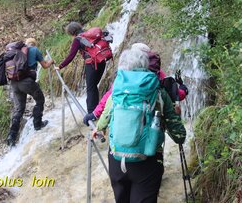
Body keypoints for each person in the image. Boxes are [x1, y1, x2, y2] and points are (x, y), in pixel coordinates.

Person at [93, 48, 186, 203]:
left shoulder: (117, 91)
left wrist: (98, 129)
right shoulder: (158, 92)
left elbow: (104, 119)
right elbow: (179, 134)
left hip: (117, 159)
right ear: (145, 65)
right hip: (147, 161)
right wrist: (178, 129)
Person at [83, 42, 188, 125]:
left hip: (125, 123)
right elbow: (173, 94)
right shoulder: (157, 75)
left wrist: (95, 114)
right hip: (150, 126)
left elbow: (110, 95)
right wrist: (183, 89)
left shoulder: (124, 75)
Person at [7, 38, 54, 147]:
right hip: (27, 82)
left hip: (14, 83)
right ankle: (37, 124)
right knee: (40, 99)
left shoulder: (14, 52)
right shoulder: (34, 50)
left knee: (19, 108)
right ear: (34, 44)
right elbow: (45, 65)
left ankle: (12, 136)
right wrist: (51, 61)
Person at [55, 22, 107, 113]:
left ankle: (91, 113)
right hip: (102, 61)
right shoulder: (90, 35)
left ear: (71, 33)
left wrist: (60, 66)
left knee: (91, 88)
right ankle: (97, 109)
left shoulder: (78, 39)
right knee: (93, 87)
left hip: (91, 64)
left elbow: (71, 56)